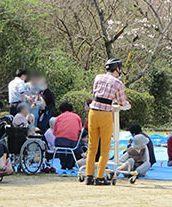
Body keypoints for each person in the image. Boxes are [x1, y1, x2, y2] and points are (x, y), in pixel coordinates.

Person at [85, 57, 129, 186]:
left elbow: (96, 93)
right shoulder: (118, 83)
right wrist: (127, 105)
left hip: (93, 113)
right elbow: (122, 102)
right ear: (117, 69)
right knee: (105, 148)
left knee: (92, 147)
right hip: (105, 114)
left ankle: (89, 176)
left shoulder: (98, 78)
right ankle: (99, 177)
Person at [54, 102, 83, 169]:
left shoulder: (58, 118)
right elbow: (80, 130)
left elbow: (54, 132)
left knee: (60, 148)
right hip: (73, 141)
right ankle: (69, 164)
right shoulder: (77, 117)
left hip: (60, 140)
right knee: (72, 149)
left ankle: (63, 164)